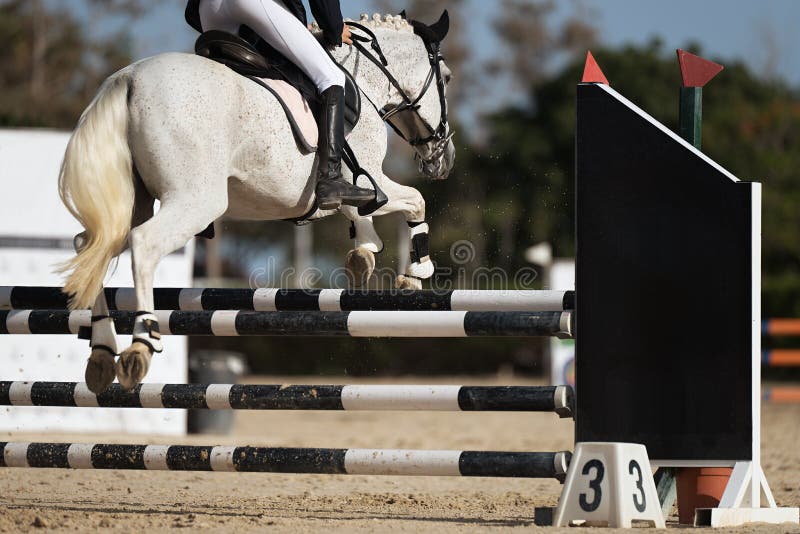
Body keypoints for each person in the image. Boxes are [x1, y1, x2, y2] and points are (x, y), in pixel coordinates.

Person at [185, 0, 375, 210]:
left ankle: (199, 182)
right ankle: (331, 178)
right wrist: (334, 29)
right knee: (331, 77)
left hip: (207, 8)